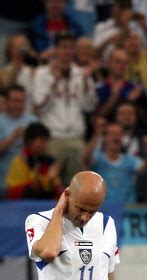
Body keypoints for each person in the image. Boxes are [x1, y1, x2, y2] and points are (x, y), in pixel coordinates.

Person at [24, 171, 122, 280]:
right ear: (67, 195)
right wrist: (59, 211)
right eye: (81, 209)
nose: (85, 217)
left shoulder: (107, 224)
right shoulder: (38, 221)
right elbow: (49, 251)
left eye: (92, 211)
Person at [33, 31, 97, 186]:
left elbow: (90, 106)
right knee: (50, 186)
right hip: (53, 137)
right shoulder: (42, 73)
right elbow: (39, 104)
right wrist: (54, 81)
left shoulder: (81, 74)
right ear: (55, 49)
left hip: (76, 138)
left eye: (70, 47)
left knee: (78, 189)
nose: (67, 51)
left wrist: (87, 83)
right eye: (63, 47)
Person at [6, 122, 62, 199]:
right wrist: (42, 181)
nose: (45, 145)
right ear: (30, 141)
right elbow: (13, 193)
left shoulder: (49, 162)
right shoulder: (20, 161)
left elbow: (58, 193)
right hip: (23, 206)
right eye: (42, 141)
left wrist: (52, 181)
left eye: (46, 141)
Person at [0, 85, 36, 198]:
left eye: (22, 101)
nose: (19, 104)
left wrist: (30, 142)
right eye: (15, 101)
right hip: (4, 182)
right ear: (6, 101)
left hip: (29, 183)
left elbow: (43, 152)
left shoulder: (32, 121)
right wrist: (12, 138)